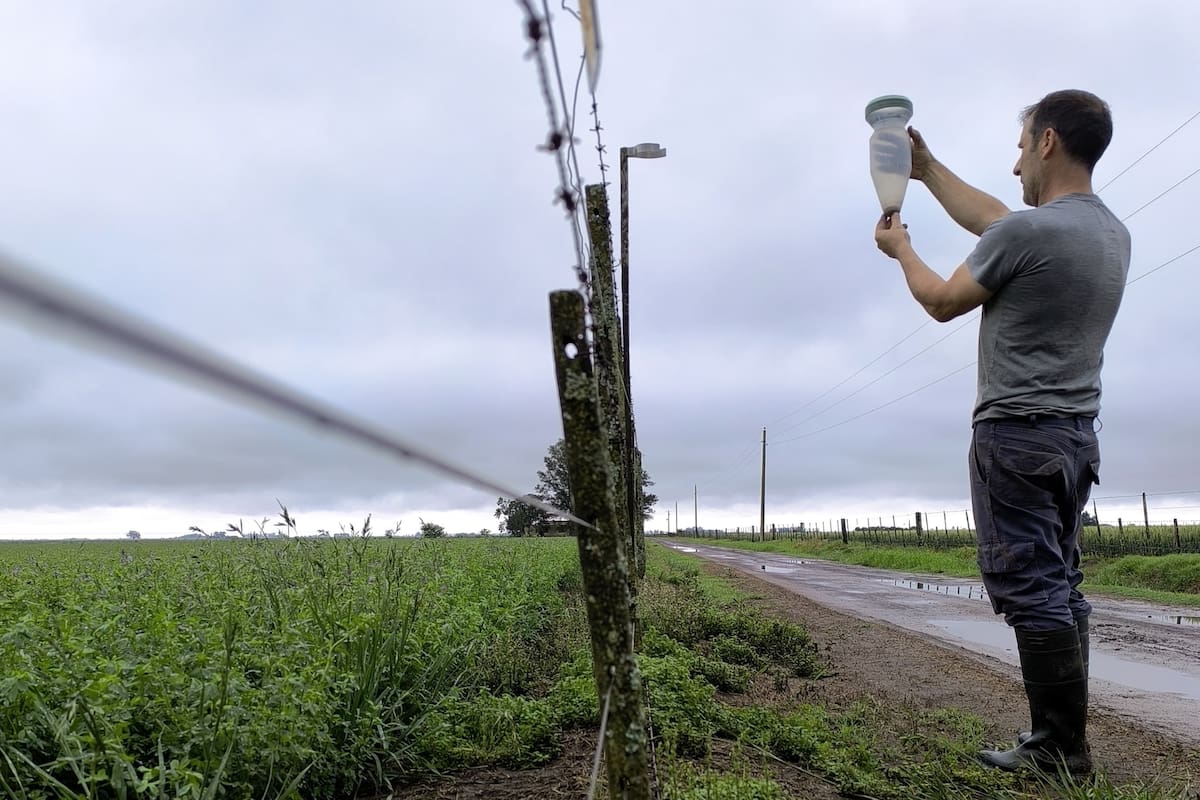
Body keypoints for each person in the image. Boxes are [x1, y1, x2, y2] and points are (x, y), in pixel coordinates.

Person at [873, 90, 1130, 775]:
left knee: (1032, 588)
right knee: (1062, 582)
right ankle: (1061, 742)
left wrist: (902, 248)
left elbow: (941, 301)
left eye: (1020, 148)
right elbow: (996, 219)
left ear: (1046, 142)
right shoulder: (1106, 232)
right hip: (1075, 437)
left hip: (1015, 435)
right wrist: (926, 170)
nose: (1015, 165)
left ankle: (1058, 751)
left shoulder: (1029, 234)